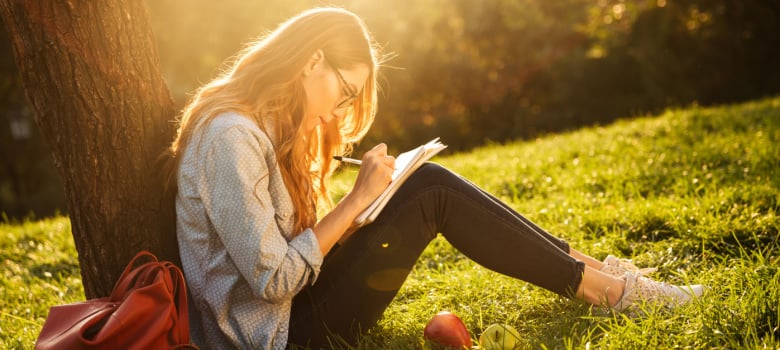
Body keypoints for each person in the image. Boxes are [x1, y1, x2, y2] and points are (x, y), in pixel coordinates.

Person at [164, 7, 704, 349]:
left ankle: (594, 271)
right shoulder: (231, 137)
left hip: (289, 311)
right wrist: (356, 203)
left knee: (428, 184)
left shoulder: (264, 126)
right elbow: (275, 280)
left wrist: (368, 200)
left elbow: (290, 252)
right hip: (278, 336)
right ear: (313, 63)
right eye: (345, 92)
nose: (339, 109)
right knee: (434, 192)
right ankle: (609, 291)